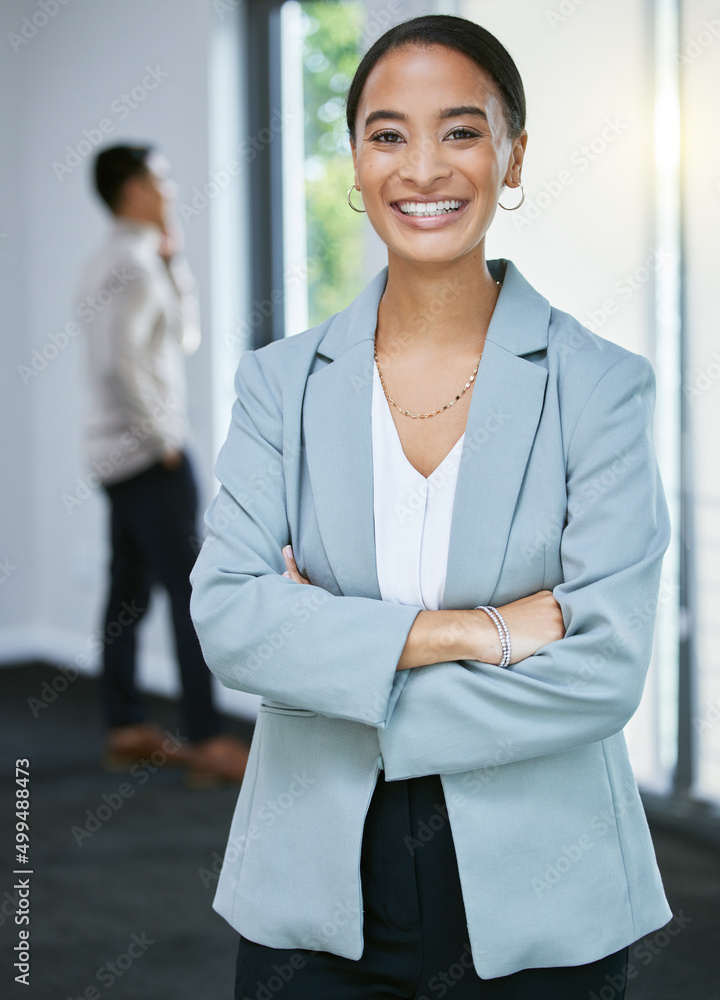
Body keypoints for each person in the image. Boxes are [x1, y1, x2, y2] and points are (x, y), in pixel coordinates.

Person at [190, 14, 673, 997]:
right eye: (387, 134)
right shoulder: (280, 383)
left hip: (546, 889)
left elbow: (604, 667)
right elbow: (232, 621)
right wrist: (472, 631)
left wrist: (330, 651)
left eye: (459, 130)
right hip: (311, 883)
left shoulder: (600, 384)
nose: (423, 169)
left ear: (514, 154)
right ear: (357, 160)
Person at [78, 143, 249, 788]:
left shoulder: (118, 260)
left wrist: (176, 265)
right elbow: (122, 364)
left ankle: (124, 726)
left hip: (114, 456)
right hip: (148, 456)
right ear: (133, 190)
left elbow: (177, 338)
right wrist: (163, 441)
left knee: (126, 589)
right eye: (161, 178)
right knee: (192, 592)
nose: (170, 189)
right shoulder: (133, 266)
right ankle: (207, 738)